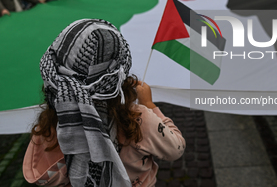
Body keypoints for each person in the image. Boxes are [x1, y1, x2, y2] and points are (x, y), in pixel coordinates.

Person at [32, 19, 186, 186]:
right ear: (119, 74)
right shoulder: (139, 120)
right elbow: (176, 148)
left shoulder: (47, 126)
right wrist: (149, 104)